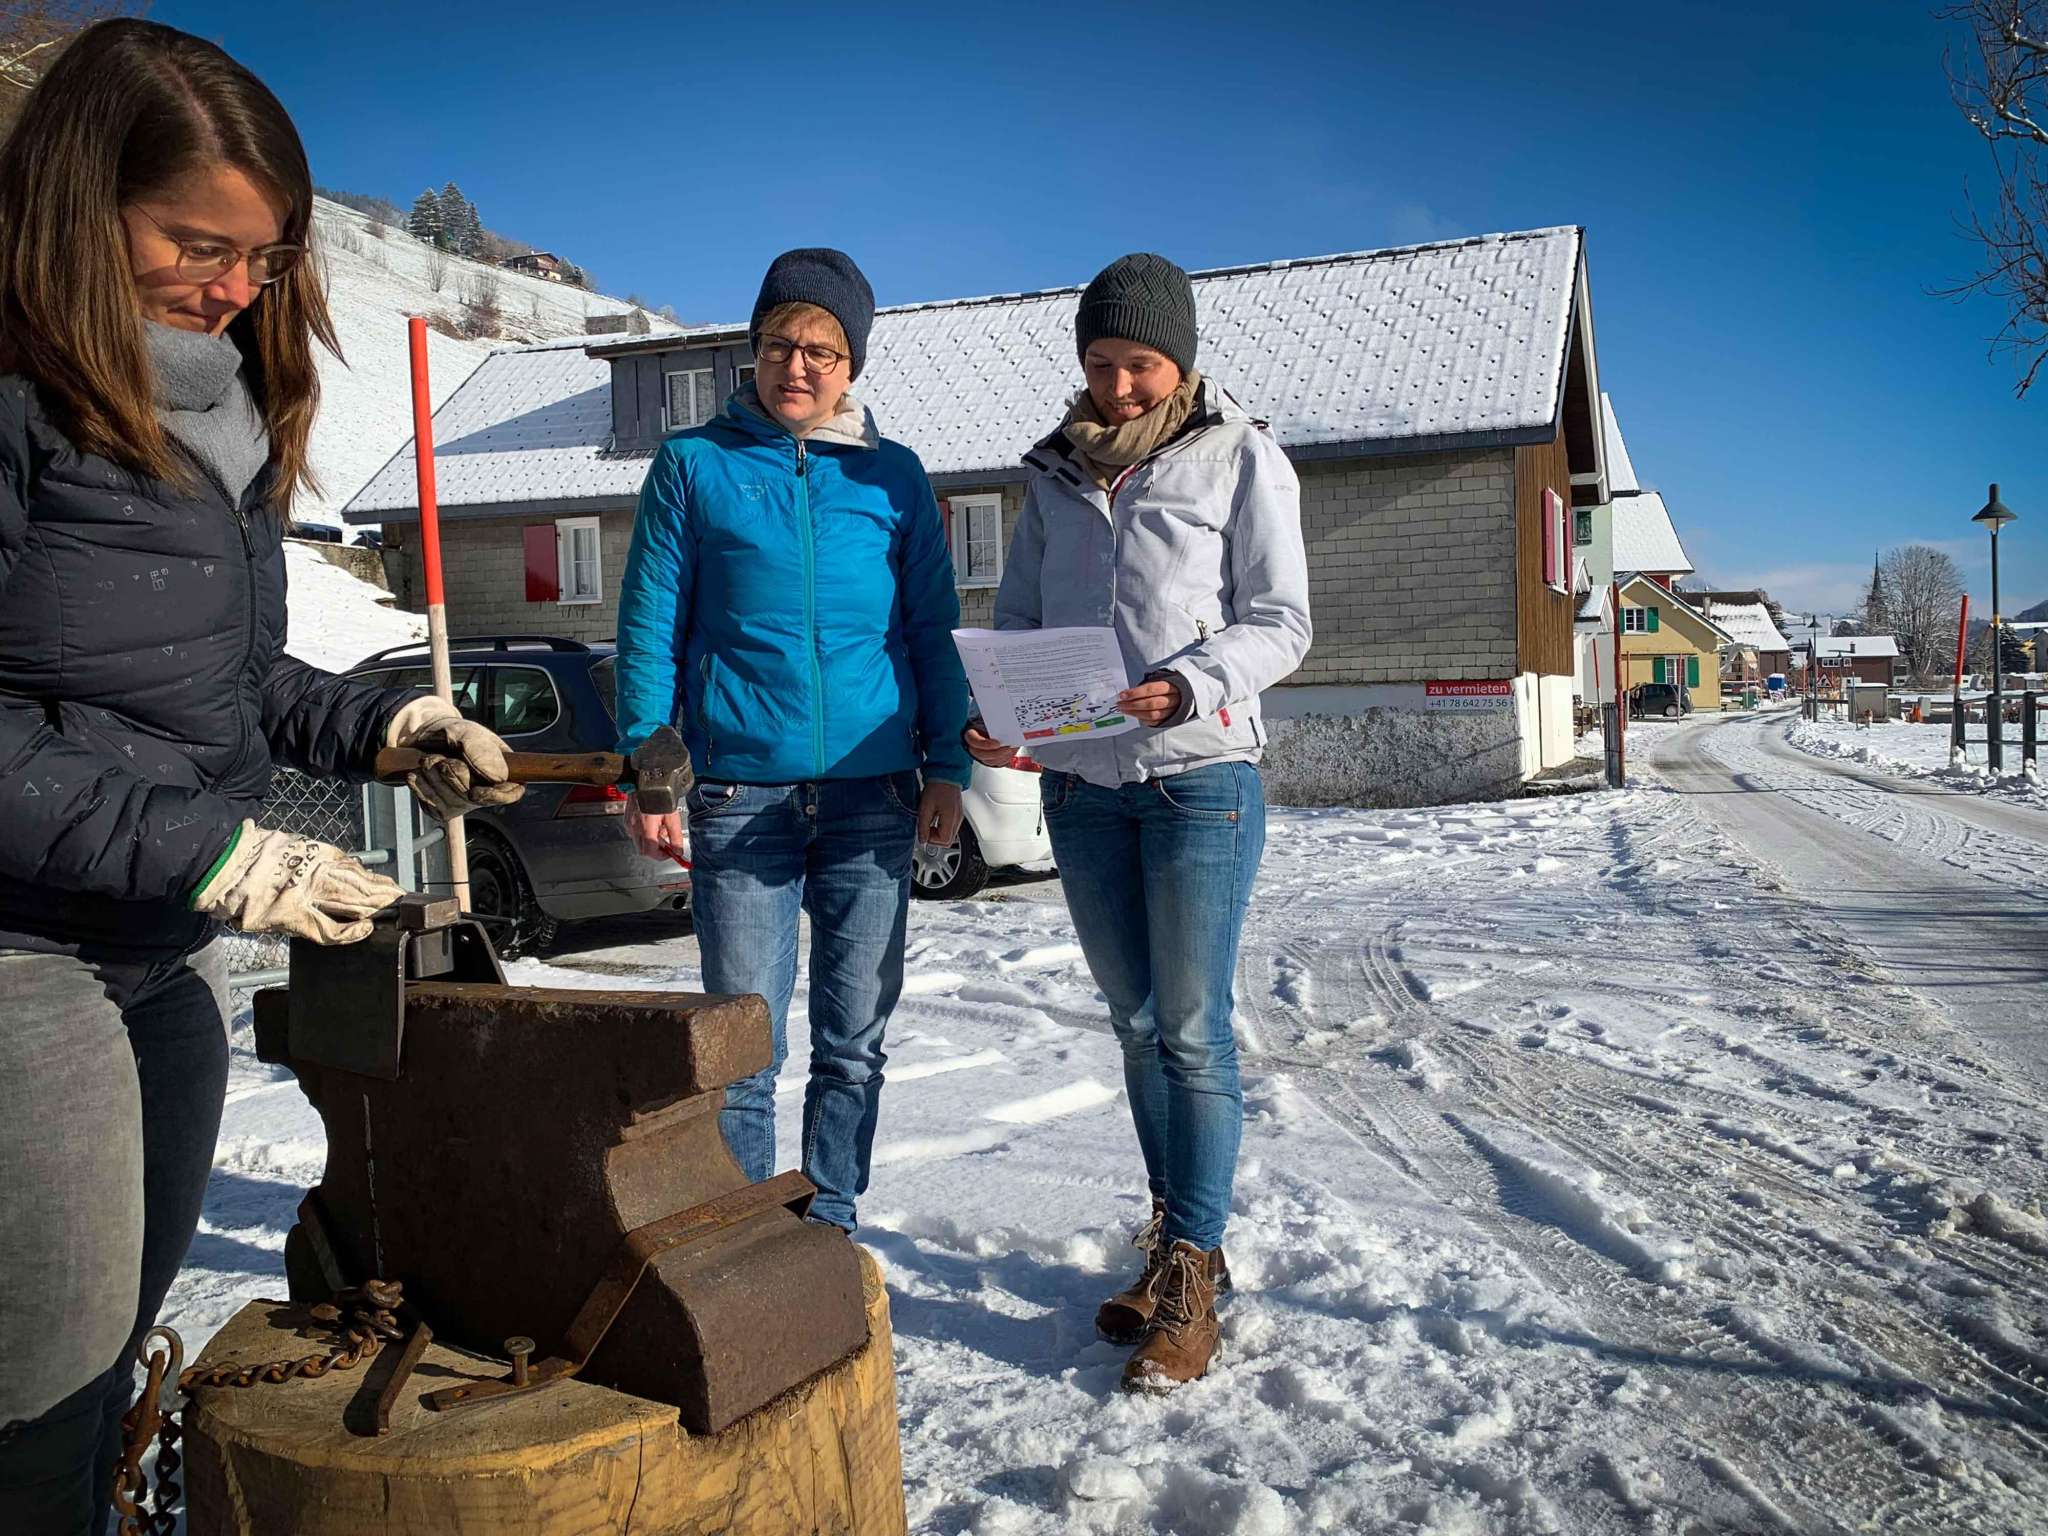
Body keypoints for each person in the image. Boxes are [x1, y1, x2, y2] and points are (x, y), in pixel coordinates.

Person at [0, 21, 521, 1532]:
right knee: (36, 1405)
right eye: (197, 245)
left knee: (104, 1362)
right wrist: (221, 856)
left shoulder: (226, 405)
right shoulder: (18, 396)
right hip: (25, 955)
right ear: (79, 203)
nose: (236, 287)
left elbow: (228, 680)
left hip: (161, 956)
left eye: (266, 255)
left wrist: (383, 728)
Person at [967, 253, 1311, 1392]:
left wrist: (1193, 681)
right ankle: (1173, 1238)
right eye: (1101, 362)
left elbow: (1282, 621)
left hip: (1198, 779)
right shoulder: (1053, 476)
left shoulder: (1239, 455)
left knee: (1192, 1030)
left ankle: (1191, 1276)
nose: (1117, 387)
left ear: (1181, 363)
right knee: (1133, 1023)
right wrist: (1004, 717)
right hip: (1081, 790)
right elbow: (1021, 624)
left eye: (1140, 364)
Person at [614, 248, 971, 1232]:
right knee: (740, 1048)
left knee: (853, 1042)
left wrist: (947, 764)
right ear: (754, 351)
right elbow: (648, 625)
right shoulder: (693, 465)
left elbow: (931, 629)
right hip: (739, 794)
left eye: (821, 350)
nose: (797, 366)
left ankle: (830, 1224)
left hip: (874, 793)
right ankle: (746, 1244)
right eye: (779, 344)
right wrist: (651, 769)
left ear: (851, 365)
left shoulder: (893, 477)